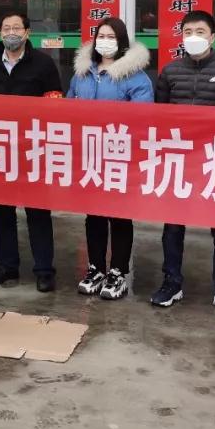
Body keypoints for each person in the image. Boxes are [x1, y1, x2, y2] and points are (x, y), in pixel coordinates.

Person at [151, 10, 215, 319]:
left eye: (200, 32)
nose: (193, 37)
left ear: (212, 37)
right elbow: (158, 116)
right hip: (179, 159)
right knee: (172, 227)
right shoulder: (169, 71)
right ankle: (171, 283)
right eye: (188, 32)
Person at [0, 11, 63, 293]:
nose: (10, 33)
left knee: (38, 211)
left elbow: (55, 103)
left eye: (16, 28)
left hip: (33, 149)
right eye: (5, 28)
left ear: (27, 33)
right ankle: (7, 266)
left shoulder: (43, 64)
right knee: (2, 211)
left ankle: (44, 270)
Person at [66, 18, 152, 301]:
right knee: (94, 214)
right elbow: (67, 109)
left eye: (111, 36)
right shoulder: (82, 74)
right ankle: (95, 268)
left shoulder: (136, 77)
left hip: (119, 156)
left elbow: (142, 119)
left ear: (122, 41)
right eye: (101, 36)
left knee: (119, 215)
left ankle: (117, 272)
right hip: (89, 155)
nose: (105, 41)